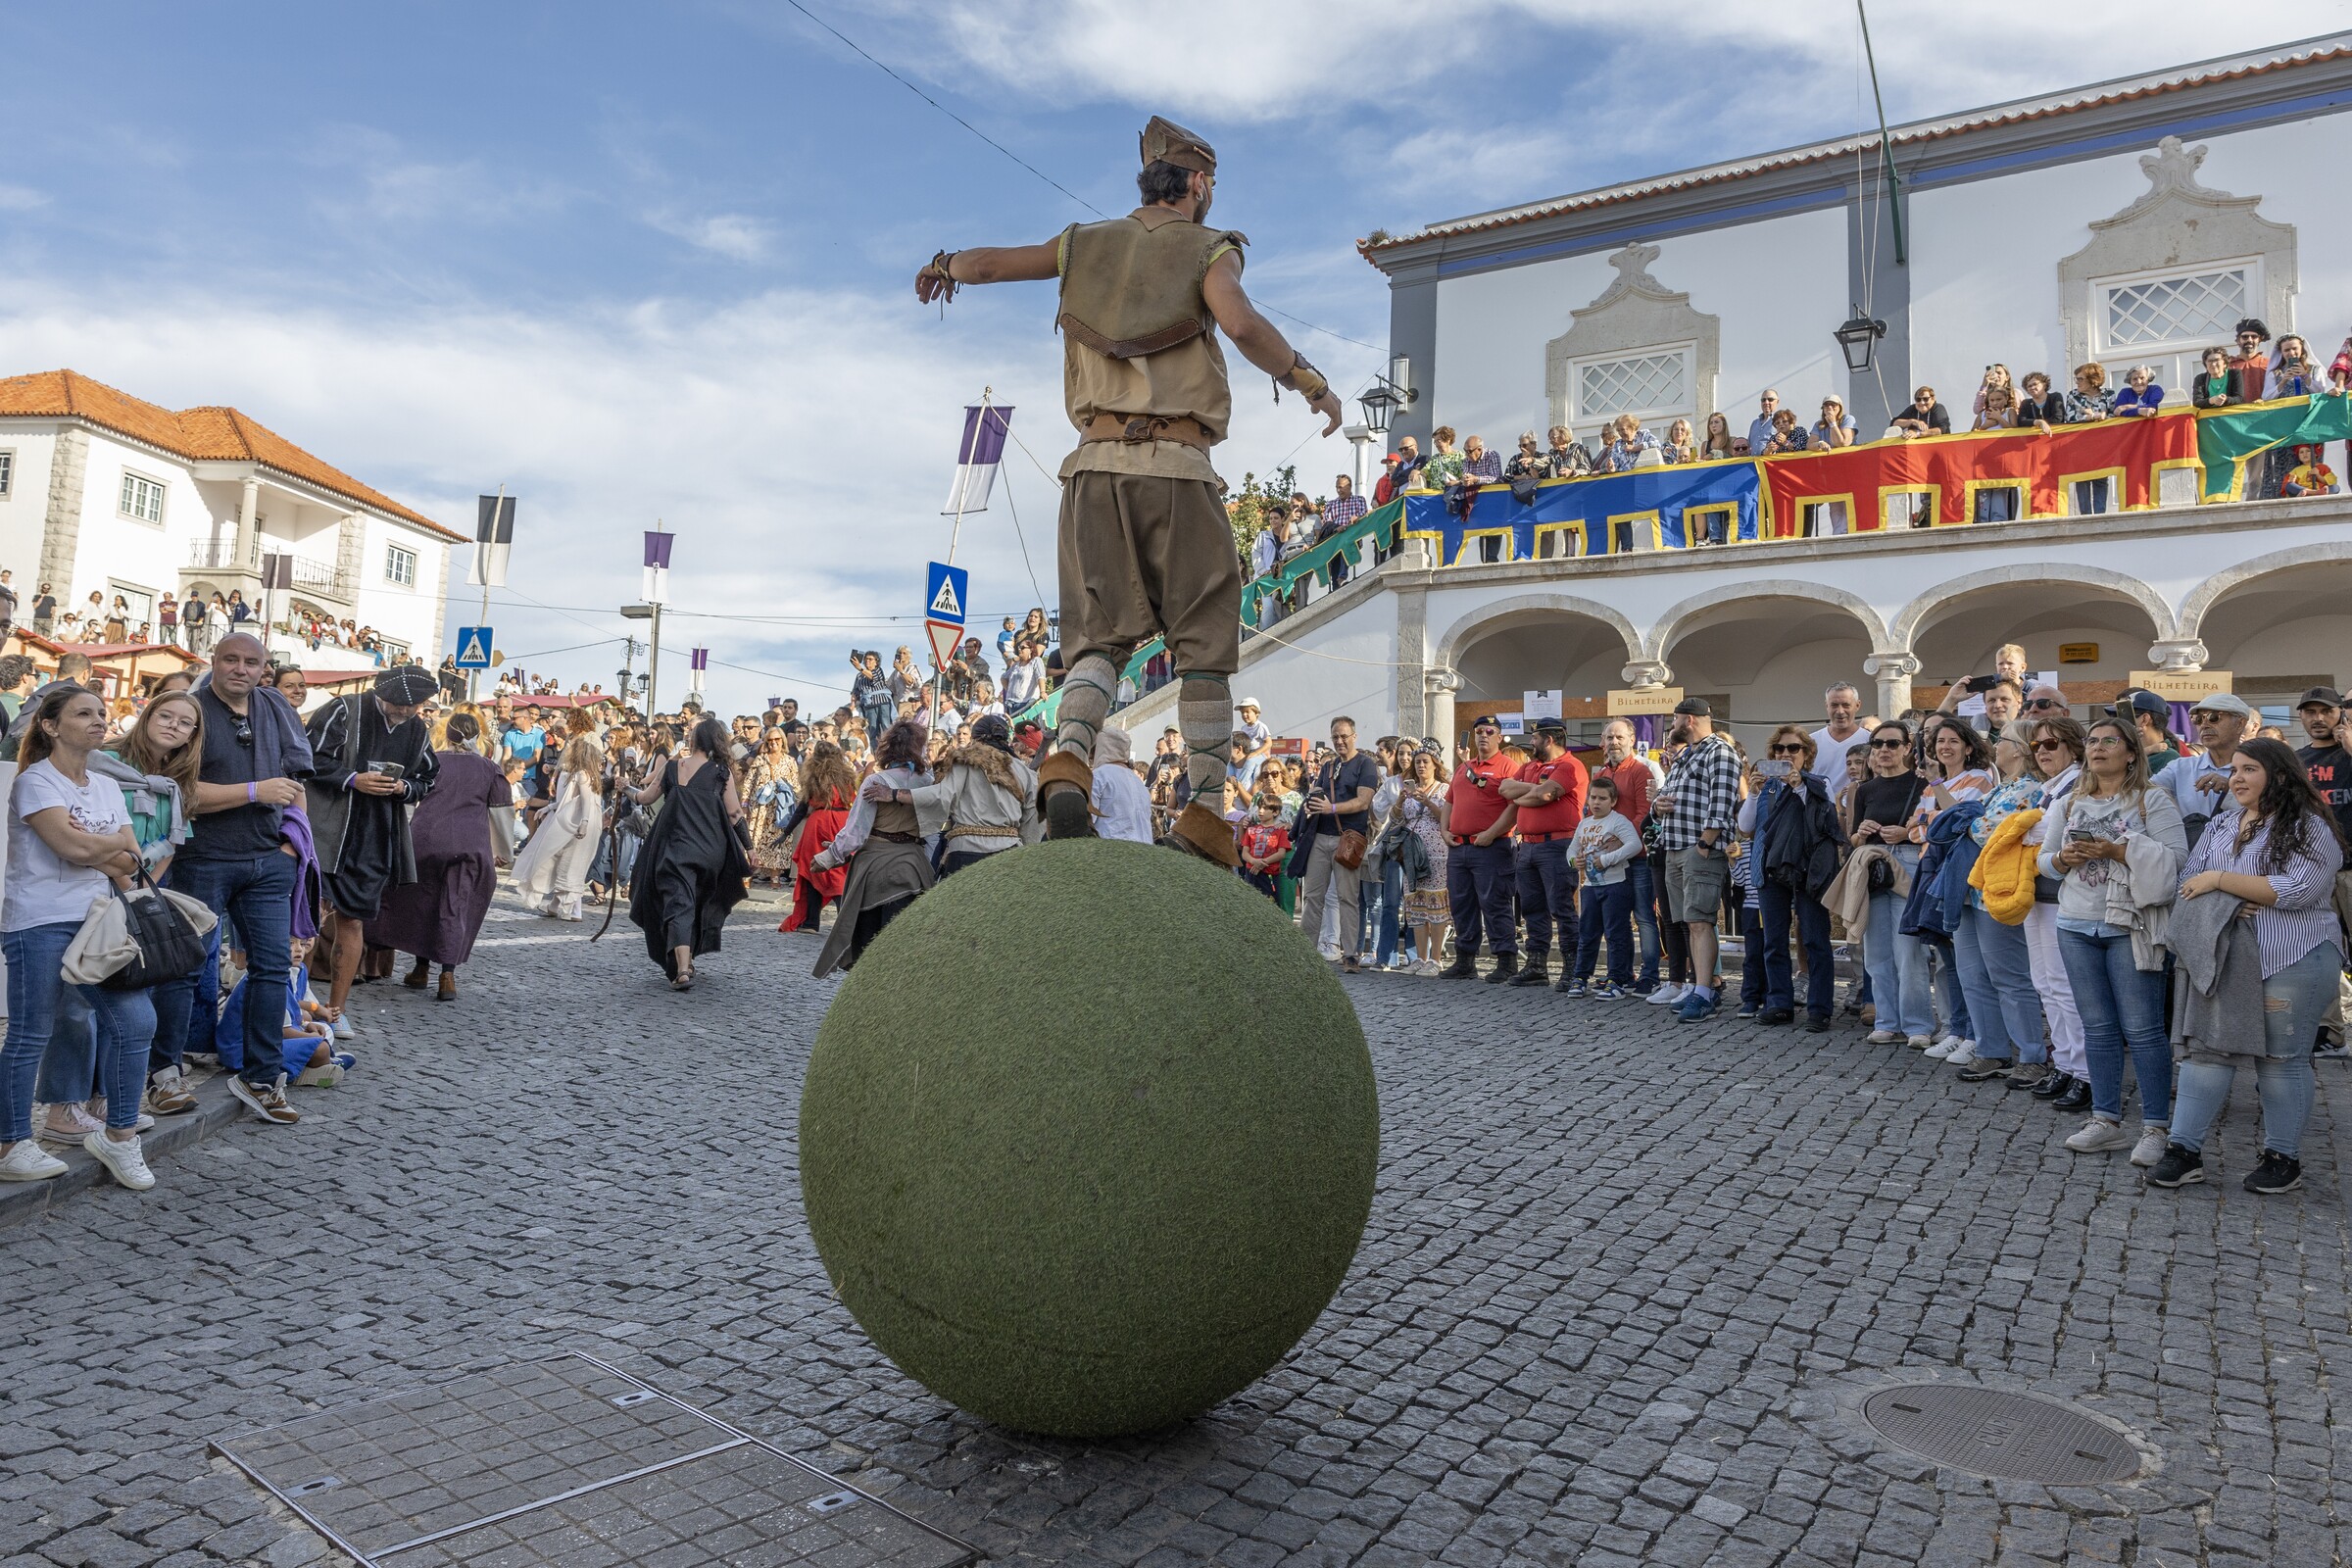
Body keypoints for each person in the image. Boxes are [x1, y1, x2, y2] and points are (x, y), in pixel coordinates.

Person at [915, 116, 1342, 865]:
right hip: (1176, 468)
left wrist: (945, 263)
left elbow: (989, 265)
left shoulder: (1083, 243)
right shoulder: (1211, 246)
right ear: (1200, 184)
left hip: (1091, 470)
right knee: (1206, 643)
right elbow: (1239, 324)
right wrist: (1309, 381)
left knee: (1095, 640)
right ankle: (1207, 813)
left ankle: (1068, 758)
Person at [2145, 737, 2343, 1192]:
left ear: (2278, 775)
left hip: (2293, 955)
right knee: (2207, 1053)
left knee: (2280, 1059)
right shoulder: (2222, 825)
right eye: (2234, 769)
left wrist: (2220, 881)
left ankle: (2282, 1159)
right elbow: (2186, 884)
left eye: (2249, 769)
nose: (2237, 778)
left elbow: (2298, 890)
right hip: (2224, 956)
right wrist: (2236, 894)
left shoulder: (2309, 828)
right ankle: (2183, 1151)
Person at [0, 684, 169, 1189]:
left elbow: (129, 859)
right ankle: (10, 1144)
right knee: (32, 1031)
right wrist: (103, 844)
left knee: (136, 1021)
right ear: (51, 725)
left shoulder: (106, 787)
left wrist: (96, 845)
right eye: (84, 714)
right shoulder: (35, 782)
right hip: (39, 921)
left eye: (101, 713)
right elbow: (69, 846)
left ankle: (118, 1138)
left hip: (100, 923)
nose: (99, 720)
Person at [151, 632, 312, 1126]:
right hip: (204, 859)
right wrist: (252, 791)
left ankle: (262, 1077)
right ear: (214, 662)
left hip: (266, 861)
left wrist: (293, 846)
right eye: (231, 660)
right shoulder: (191, 710)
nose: (241, 669)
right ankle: (164, 1074)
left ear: (264, 668)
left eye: (252, 662)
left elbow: (296, 779)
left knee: (270, 968)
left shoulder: (274, 707)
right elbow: (179, 793)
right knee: (183, 970)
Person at [2040, 715, 2187, 1165]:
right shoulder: (2069, 803)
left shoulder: (2151, 801)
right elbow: (2043, 862)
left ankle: (2157, 1127)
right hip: (2076, 923)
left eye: (2111, 740)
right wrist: (2064, 857)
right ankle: (2106, 1120)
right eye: (2093, 741)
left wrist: (2118, 850)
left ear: (2130, 753)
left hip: (2130, 925)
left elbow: (2179, 861)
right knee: (2098, 1028)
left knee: (2143, 1031)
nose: (2099, 747)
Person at [303, 665, 438, 1027]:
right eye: (398, 703)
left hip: (375, 836)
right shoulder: (344, 709)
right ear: (382, 693)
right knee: (308, 920)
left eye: (415, 705)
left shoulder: (417, 729)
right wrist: (352, 779)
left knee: (353, 922)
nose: (406, 710)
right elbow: (309, 757)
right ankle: (297, 1006)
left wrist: (403, 788)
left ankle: (336, 1011)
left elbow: (427, 777)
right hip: (327, 831)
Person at [366, 711, 510, 1003]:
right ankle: (447, 975)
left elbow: (409, 792)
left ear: (449, 732)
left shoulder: (432, 760)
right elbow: (501, 811)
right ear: (476, 735)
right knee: (455, 905)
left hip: (427, 838)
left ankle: (420, 969)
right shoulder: (488, 768)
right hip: (470, 843)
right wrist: (504, 851)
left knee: (424, 902)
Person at [1947, 720, 2052, 1082]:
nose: (1995, 745)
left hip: (1998, 891)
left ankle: (2032, 1055)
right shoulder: (2001, 788)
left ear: (2021, 749)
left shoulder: (2031, 788)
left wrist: (1967, 821)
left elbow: (1988, 831)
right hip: (1970, 891)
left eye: (2002, 739)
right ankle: (1992, 1050)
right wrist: (1967, 820)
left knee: (2007, 975)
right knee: (1972, 974)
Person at [626, 714, 751, 990]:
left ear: (693, 740)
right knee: (694, 902)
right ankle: (688, 959)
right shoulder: (721, 772)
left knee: (679, 903)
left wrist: (625, 788)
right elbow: (735, 813)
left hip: (675, 848)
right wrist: (748, 847)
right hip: (710, 851)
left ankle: (682, 968)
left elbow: (645, 797)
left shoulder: (672, 768)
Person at [809, 720, 934, 977]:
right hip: (914, 868)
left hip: (875, 869)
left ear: (889, 747)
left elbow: (856, 831)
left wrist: (829, 856)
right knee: (905, 944)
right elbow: (934, 831)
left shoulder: (875, 781)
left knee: (868, 946)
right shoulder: (930, 782)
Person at [1743, 726, 1846, 1030]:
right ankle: (1779, 1003)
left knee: (1815, 939)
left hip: (1808, 869)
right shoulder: (1766, 788)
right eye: (1779, 750)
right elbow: (1747, 826)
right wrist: (1752, 795)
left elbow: (1825, 819)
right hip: (1771, 868)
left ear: (1807, 754)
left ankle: (1819, 1008)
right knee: (1773, 941)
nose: (1785, 754)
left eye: (1793, 749)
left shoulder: (1819, 783)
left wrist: (1800, 787)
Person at [1651, 698, 1740, 1021]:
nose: (1672, 726)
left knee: (1701, 921)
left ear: (1687, 719)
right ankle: (1699, 987)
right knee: (1689, 921)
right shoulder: (1686, 754)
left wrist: (1705, 844)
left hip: (1698, 848)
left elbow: (1722, 801)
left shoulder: (1720, 751)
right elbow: (1665, 798)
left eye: (1674, 719)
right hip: (1674, 847)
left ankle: (1705, 992)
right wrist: (1657, 807)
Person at [1497, 715, 1586, 989]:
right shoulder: (1532, 766)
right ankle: (1537, 966)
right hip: (1530, 845)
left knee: (1562, 907)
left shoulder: (1570, 766)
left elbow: (1545, 796)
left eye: (1535, 738)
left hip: (1558, 845)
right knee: (1533, 908)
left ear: (1548, 740)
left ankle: (1573, 967)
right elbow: (1504, 789)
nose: (1531, 742)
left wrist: (1528, 795)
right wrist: (1534, 791)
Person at [901, 712, 1039, 876]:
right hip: (1008, 853)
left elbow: (942, 795)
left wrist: (897, 795)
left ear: (975, 738)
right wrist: (1024, 851)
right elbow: (1033, 819)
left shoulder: (964, 762)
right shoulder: (1024, 771)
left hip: (966, 852)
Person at [1295, 716, 1380, 972]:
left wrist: (1331, 808)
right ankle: (1307, 952)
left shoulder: (1365, 765)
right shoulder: (1329, 767)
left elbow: (1363, 801)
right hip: (1321, 837)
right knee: (1312, 897)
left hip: (1348, 839)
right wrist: (1311, 805)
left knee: (1348, 898)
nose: (1340, 741)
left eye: (1344, 736)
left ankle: (1351, 955)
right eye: (1335, 737)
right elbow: (1318, 794)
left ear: (1354, 736)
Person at [1439, 715, 1519, 980]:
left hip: (1491, 847)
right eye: (1479, 732)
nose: (1483, 736)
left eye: (1489, 731)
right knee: (1461, 905)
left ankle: (1506, 961)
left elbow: (1513, 808)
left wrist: (1492, 833)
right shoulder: (1464, 768)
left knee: (1495, 903)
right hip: (1459, 847)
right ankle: (1465, 960)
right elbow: (1449, 801)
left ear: (1499, 737)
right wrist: (1444, 829)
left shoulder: (1508, 767)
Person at [1562, 775, 1641, 998]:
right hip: (1589, 886)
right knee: (1587, 933)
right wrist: (1573, 861)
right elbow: (1572, 849)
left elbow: (1634, 845)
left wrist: (1608, 859)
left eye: (1602, 798)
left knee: (1615, 934)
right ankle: (1580, 977)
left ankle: (1616, 979)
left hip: (1615, 885)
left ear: (1613, 801)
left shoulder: (1618, 821)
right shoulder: (1584, 823)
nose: (1596, 802)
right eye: (1593, 797)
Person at [513, 735, 601, 920]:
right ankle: (556, 905)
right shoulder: (584, 774)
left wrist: (584, 823)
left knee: (567, 863)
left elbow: (585, 801)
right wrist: (549, 806)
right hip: (576, 821)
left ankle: (571, 909)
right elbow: (569, 801)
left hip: (575, 824)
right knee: (563, 862)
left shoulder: (582, 774)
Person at [2154, 693, 2250, 851]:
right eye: (2198, 720)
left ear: (2240, 724)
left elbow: (2272, 810)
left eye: (2213, 717)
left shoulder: (2260, 768)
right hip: (2189, 860)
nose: (2204, 725)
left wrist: (2231, 789)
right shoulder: (2179, 767)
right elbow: (2144, 792)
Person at [781, 742, 856, 935]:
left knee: (813, 871)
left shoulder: (815, 776)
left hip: (819, 822)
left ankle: (811, 922)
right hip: (842, 822)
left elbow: (802, 808)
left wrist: (786, 832)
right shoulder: (847, 775)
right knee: (840, 871)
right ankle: (844, 921)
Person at [1394, 750, 1451, 976]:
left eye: (1425, 762)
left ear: (1435, 765)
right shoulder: (1409, 788)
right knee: (1415, 906)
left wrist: (1427, 801)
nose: (1421, 766)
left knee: (1435, 905)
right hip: (1410, 854)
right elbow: (1397, 818)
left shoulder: (1444, 789)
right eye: (1417, 762)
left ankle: (1435, 959)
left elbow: (1445, 818)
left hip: (1436, 853)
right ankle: (1420, 957)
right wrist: (1400, 800)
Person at [741, 729, 798, 885]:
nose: (774, 743)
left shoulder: (790, 761)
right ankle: (749, 873)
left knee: (778, 840)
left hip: (780, 808)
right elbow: (748, 783)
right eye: (770, 740)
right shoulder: (760, 760)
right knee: (755, 838)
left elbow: (796, 785)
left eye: (777, 739)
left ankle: (775, 875)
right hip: (760, 807)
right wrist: (744, 804)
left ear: (783, 740)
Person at [1090, 728, 1154, 844]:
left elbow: (1088, 820)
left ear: (1101, 748)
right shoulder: (1138, 782)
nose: (1090, 756)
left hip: (1113, 851)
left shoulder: (1099, 776)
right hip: (1145, 851)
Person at [1811, 682, 1869, 786]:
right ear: (1827, 706)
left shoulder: (1869, 740)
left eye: (1846, 705)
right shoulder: (1811, 742)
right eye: (1834, 705)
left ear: (1857, 705)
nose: (1840, 711)